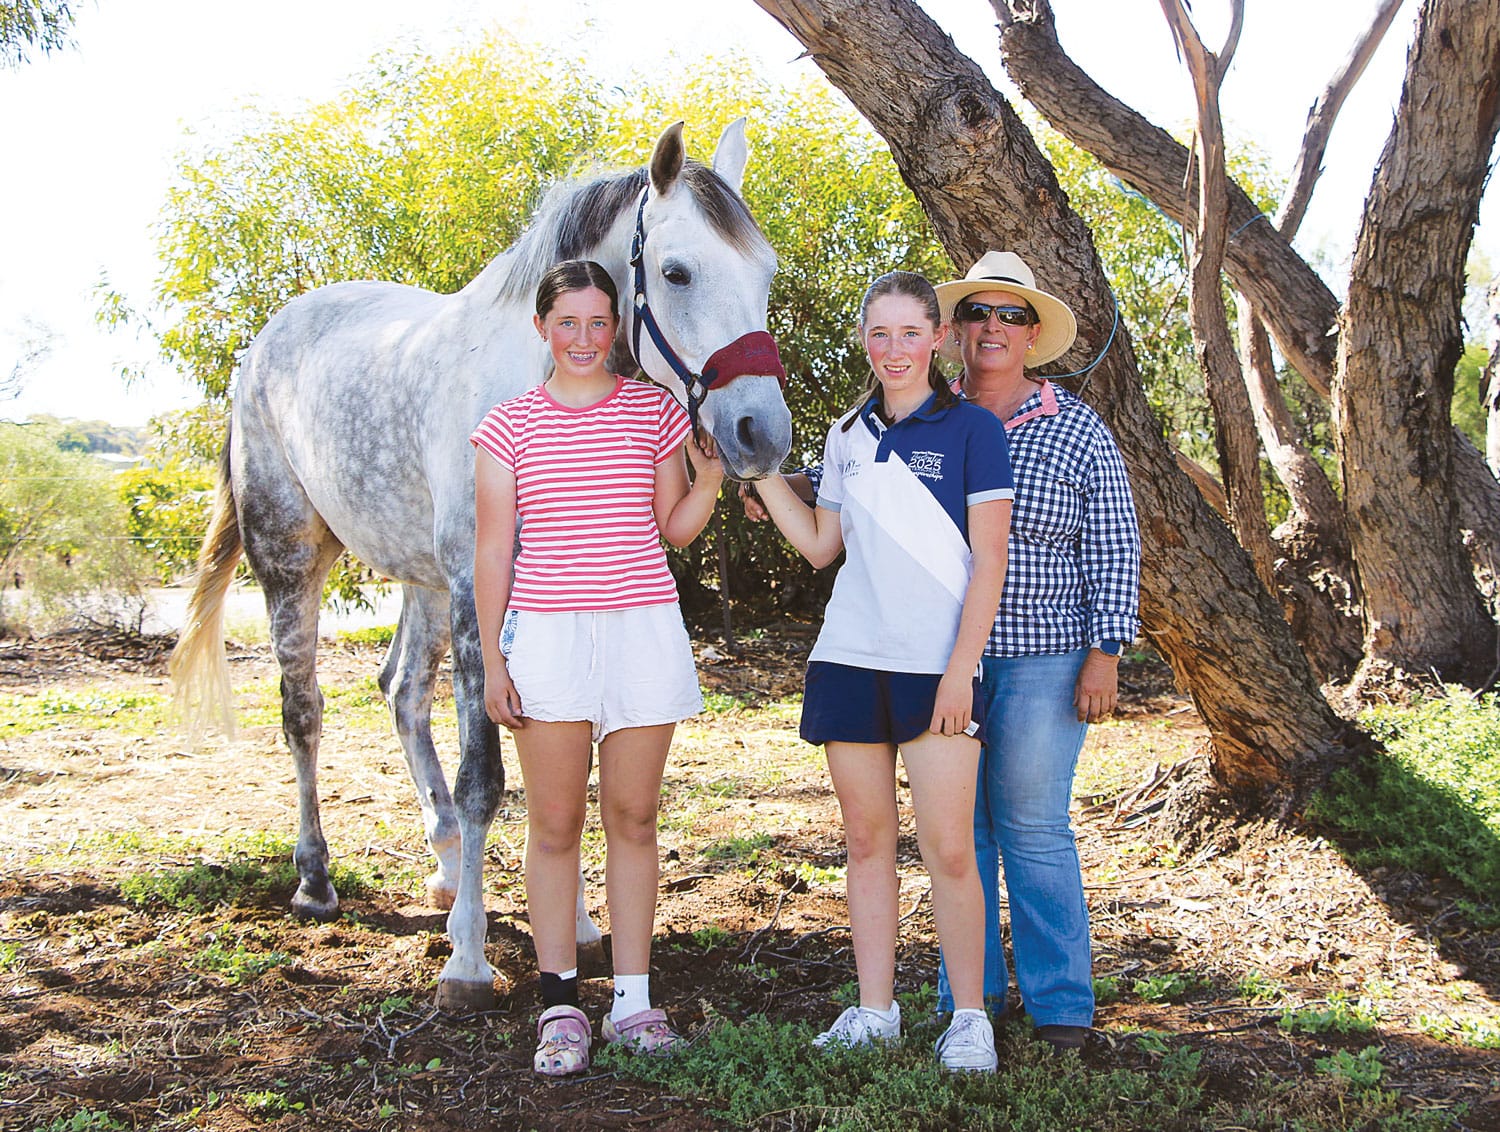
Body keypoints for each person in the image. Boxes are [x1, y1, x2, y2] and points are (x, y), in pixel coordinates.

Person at [753, 270, 1014, 1073]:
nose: (893, 349)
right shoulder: (845, 434)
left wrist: (961, 670)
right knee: (866, 843)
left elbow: (992, 565)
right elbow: (821, 546)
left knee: (948, 849)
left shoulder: (974, 430)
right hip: (849, 658)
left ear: (938, 339)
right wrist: (759, 471)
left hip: (939, 668)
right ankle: (875, 1010)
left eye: (909, 333)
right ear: (863, 340)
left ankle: (969, 1017)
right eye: (878, 333)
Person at [470, 259, 724, 1077]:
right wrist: (491, 662)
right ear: (541, 327)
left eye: (599, 322)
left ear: (617, 328)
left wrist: (713, 473)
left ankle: (634, 1000)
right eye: (568, 322)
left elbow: (675, 529)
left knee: (634, 819)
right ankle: (560, 1005)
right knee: (553, 826)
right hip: (544, 637)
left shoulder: (654, 412)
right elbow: (492, 553)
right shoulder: (505, 427)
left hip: (642, 629)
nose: (584, 338)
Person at [931, 251, 1141, 1052]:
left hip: (1045, 657)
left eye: (1010, 316)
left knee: (1032, 826)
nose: (993, 328)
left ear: (1031, 334)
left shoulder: (1075, 425)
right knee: (961, 834)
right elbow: (864, 480)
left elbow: (1115, 542)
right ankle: (972, 997)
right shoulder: (930, 415)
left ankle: (1061, 1007)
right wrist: (788, 485)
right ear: (957, 333)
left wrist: (1107, 651)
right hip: (947, 662)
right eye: (979, 313)